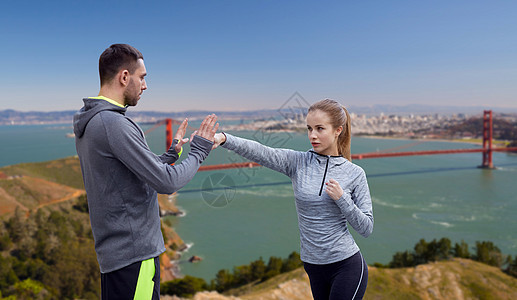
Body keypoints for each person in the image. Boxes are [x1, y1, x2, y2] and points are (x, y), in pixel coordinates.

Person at [73, 43, 218, 300]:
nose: (145, 86)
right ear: (124, 77)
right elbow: (166, 182)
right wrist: (200, 150)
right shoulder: (114, 123)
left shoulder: (94, 121)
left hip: (118, 255)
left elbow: (131, 173)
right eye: (143, 78)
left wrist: (172, 154)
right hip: (134, 255)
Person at [213, 99, 373, 299]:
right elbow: (262, 152)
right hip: (313, 266)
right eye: (309, 128)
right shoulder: (298, 163)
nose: (312, 135)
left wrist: (343, 200)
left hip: (346, 265)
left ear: (338, 130)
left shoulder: (355, 173)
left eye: (320, 129)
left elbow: (366, 228)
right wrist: (224, 138)